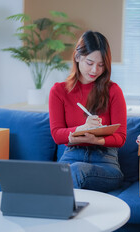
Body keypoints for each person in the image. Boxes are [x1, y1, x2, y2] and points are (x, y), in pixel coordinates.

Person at [49, 30, 127, 193]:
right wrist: (82, 129)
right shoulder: (59, 91)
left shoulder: (113, 91)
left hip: (105, 161)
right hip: (71, 155)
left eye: (101, 65)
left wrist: (97, 140)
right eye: (90, 63)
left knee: (76, 172)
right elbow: (57, 134)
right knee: (52, 175)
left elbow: (120, 137)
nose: (95, 70)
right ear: (77, 57)